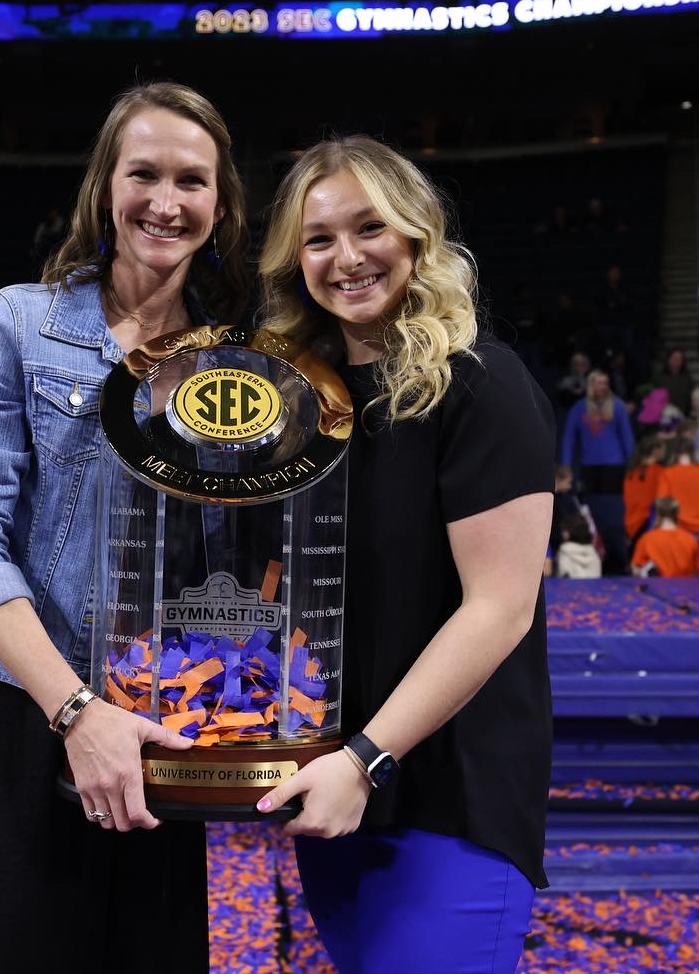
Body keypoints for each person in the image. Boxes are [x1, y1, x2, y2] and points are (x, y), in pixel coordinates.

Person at [0, 82, 250, 971]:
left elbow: (242, 558)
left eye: (192, 181)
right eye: (142, 173)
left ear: (220, 205)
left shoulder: (246, 359)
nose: (165, 201)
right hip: (18, 712)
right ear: (103, 188)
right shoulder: (18, 325)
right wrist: (75, 711)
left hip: (163, 715)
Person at [251, 135, 552, 972]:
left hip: (444, 801)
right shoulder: (304, 408)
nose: (346, 258)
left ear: (417, 237)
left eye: (369, 228)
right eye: (319, 239)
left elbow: (500, 609)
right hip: (335, 798)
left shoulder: (482, 385)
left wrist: (365, 758)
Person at [560, 370, 634, 495]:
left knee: (610, 503)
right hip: (589, 463)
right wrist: (566, 463)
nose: (603, 386)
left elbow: (627, 437)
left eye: (605, 383)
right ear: (591, 384)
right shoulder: (579, 407)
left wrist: (632, 463)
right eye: (599, 383)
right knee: (590, 503)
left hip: (614, 464)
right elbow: (569, 438)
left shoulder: (618, 406)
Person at [656, 441, 699, 541]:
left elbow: (661, 502)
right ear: (693, 453)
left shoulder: (667, 474)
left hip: (678, 531)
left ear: (675, 453)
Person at [631, 497, 699, 578]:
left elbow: (636, 569)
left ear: (657, 514)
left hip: (656, 589)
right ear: (677, 513)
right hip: (686, 588)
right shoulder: (691, 539)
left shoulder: (646, 539)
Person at [622, 435, 667, 542]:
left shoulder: (630, 472)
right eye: (663, 448)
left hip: (629, 524)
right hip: (649, 525)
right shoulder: (662, 473)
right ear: (655, 451)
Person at [555, 514, 602, 578]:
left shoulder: (564, 552)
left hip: (570, 587)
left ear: (568, 532)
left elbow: (563, 577)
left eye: (564, 529)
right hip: (594, 587)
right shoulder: (593, 552)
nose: (562, 533)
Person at [654, 347, 695, 413]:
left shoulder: (687, 378)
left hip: (683, 414)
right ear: (668, 359)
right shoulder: (659, 377)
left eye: (679, 359)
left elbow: (691, 396)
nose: (676, 361)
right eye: (674, 358)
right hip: (663, 414)